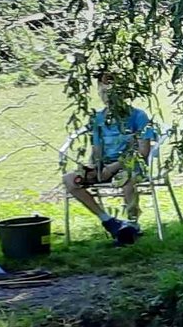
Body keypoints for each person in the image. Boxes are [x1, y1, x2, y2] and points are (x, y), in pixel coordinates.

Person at [64, 71, 155, 245]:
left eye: (112, 92)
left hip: (131, 166)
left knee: (127, 180)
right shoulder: (97, 119)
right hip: (105, 168)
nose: (107, 97)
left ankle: (132, 225)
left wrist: (113, 167)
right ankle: (109, 221)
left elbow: (143, 152)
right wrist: (94, 167)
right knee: (69, 179)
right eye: (103, 92)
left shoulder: (138, 116)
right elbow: (97, 150)